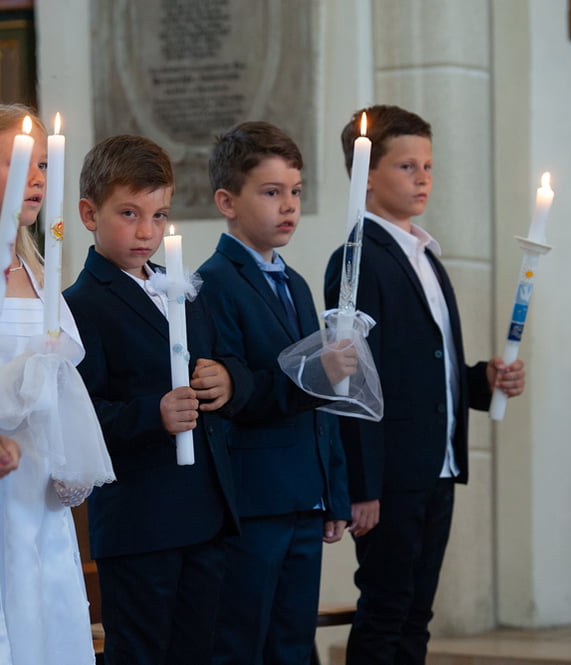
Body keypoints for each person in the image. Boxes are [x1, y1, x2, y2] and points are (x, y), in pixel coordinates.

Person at [323, 105, 526, 665]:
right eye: (406, 166)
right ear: (366, 176)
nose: (422, 179)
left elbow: (427, 368)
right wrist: (362, 485)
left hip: (436, 464)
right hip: (390, 474)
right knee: (386, 609)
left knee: (417, 613)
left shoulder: (426, 258)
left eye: (428, 166)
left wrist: (483, 381)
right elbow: (353, 378)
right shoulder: (357, 260)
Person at [0, 102, 114, 665]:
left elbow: (61, 385)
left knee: (44, 626)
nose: (38, 179)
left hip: (36, 492)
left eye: (44, 166)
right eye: (20, 163)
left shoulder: (40, 276)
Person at [63, 134, 252, 665]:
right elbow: (81, 415)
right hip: (140, 521)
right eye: (129, 213)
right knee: (142, 652)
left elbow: (225, 357)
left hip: (205, 511)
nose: (147, 231)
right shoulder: (81, 305)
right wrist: (155, 414)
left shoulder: (183, 288)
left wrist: (226, 378)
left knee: (199, 650)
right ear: (89, 214)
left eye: (159, 215)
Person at [196, 121, 352, 665]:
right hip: (256, 500)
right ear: (227, 202)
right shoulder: (214, 283)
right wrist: (315, 375)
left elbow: (324, 406)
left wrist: (333, 491)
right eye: (270, 192)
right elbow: (234, 393)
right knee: (243, 642)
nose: (288, 206)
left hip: (306, 496)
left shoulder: (297, 283)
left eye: (296, 192)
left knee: (293, 643)